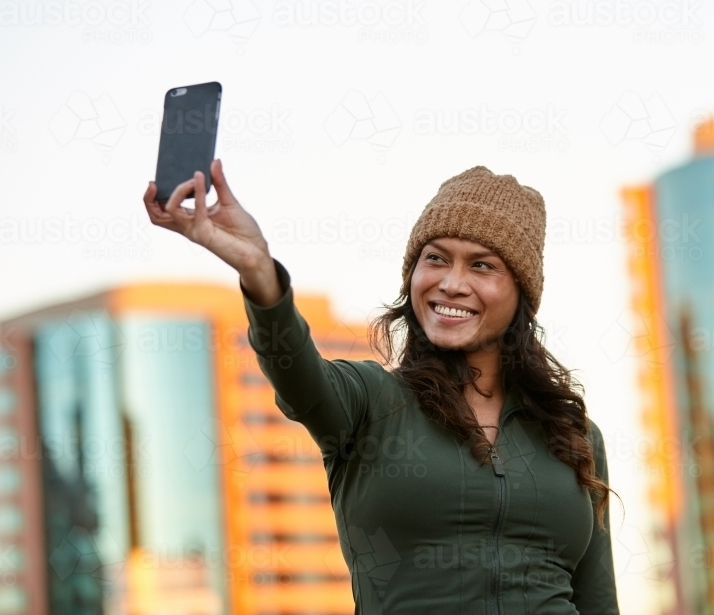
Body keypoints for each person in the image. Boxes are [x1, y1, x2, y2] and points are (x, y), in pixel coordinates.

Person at [143, 160, 621, 614]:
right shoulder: (370, 402)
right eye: (436, 259)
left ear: (522, 292)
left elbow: (599, 601)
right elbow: (297, 375)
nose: (452, 283)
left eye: (481, 265)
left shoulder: (572, 432)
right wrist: (258, 272)